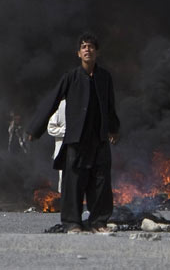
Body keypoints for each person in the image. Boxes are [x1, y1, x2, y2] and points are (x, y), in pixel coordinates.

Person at [27, 32, 120, 234]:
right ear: (78, 53)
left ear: (97, 52)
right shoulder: (71, 78)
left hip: (99, 139)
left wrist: (113, 128)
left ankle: (98, 222)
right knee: (73, 182)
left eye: (91, 47)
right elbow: (52, 101)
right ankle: (72, 223)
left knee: (101, 182)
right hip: (77, 140)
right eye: (84, 47)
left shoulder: (105, 77)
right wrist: (36, 128)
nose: (88, 49)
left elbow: (110, 106)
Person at [47, 100, 66, 192]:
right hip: (63, 153)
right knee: (65, 181)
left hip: (82, 153)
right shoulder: (61, 105)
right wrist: (67, 131)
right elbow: (51, 128)